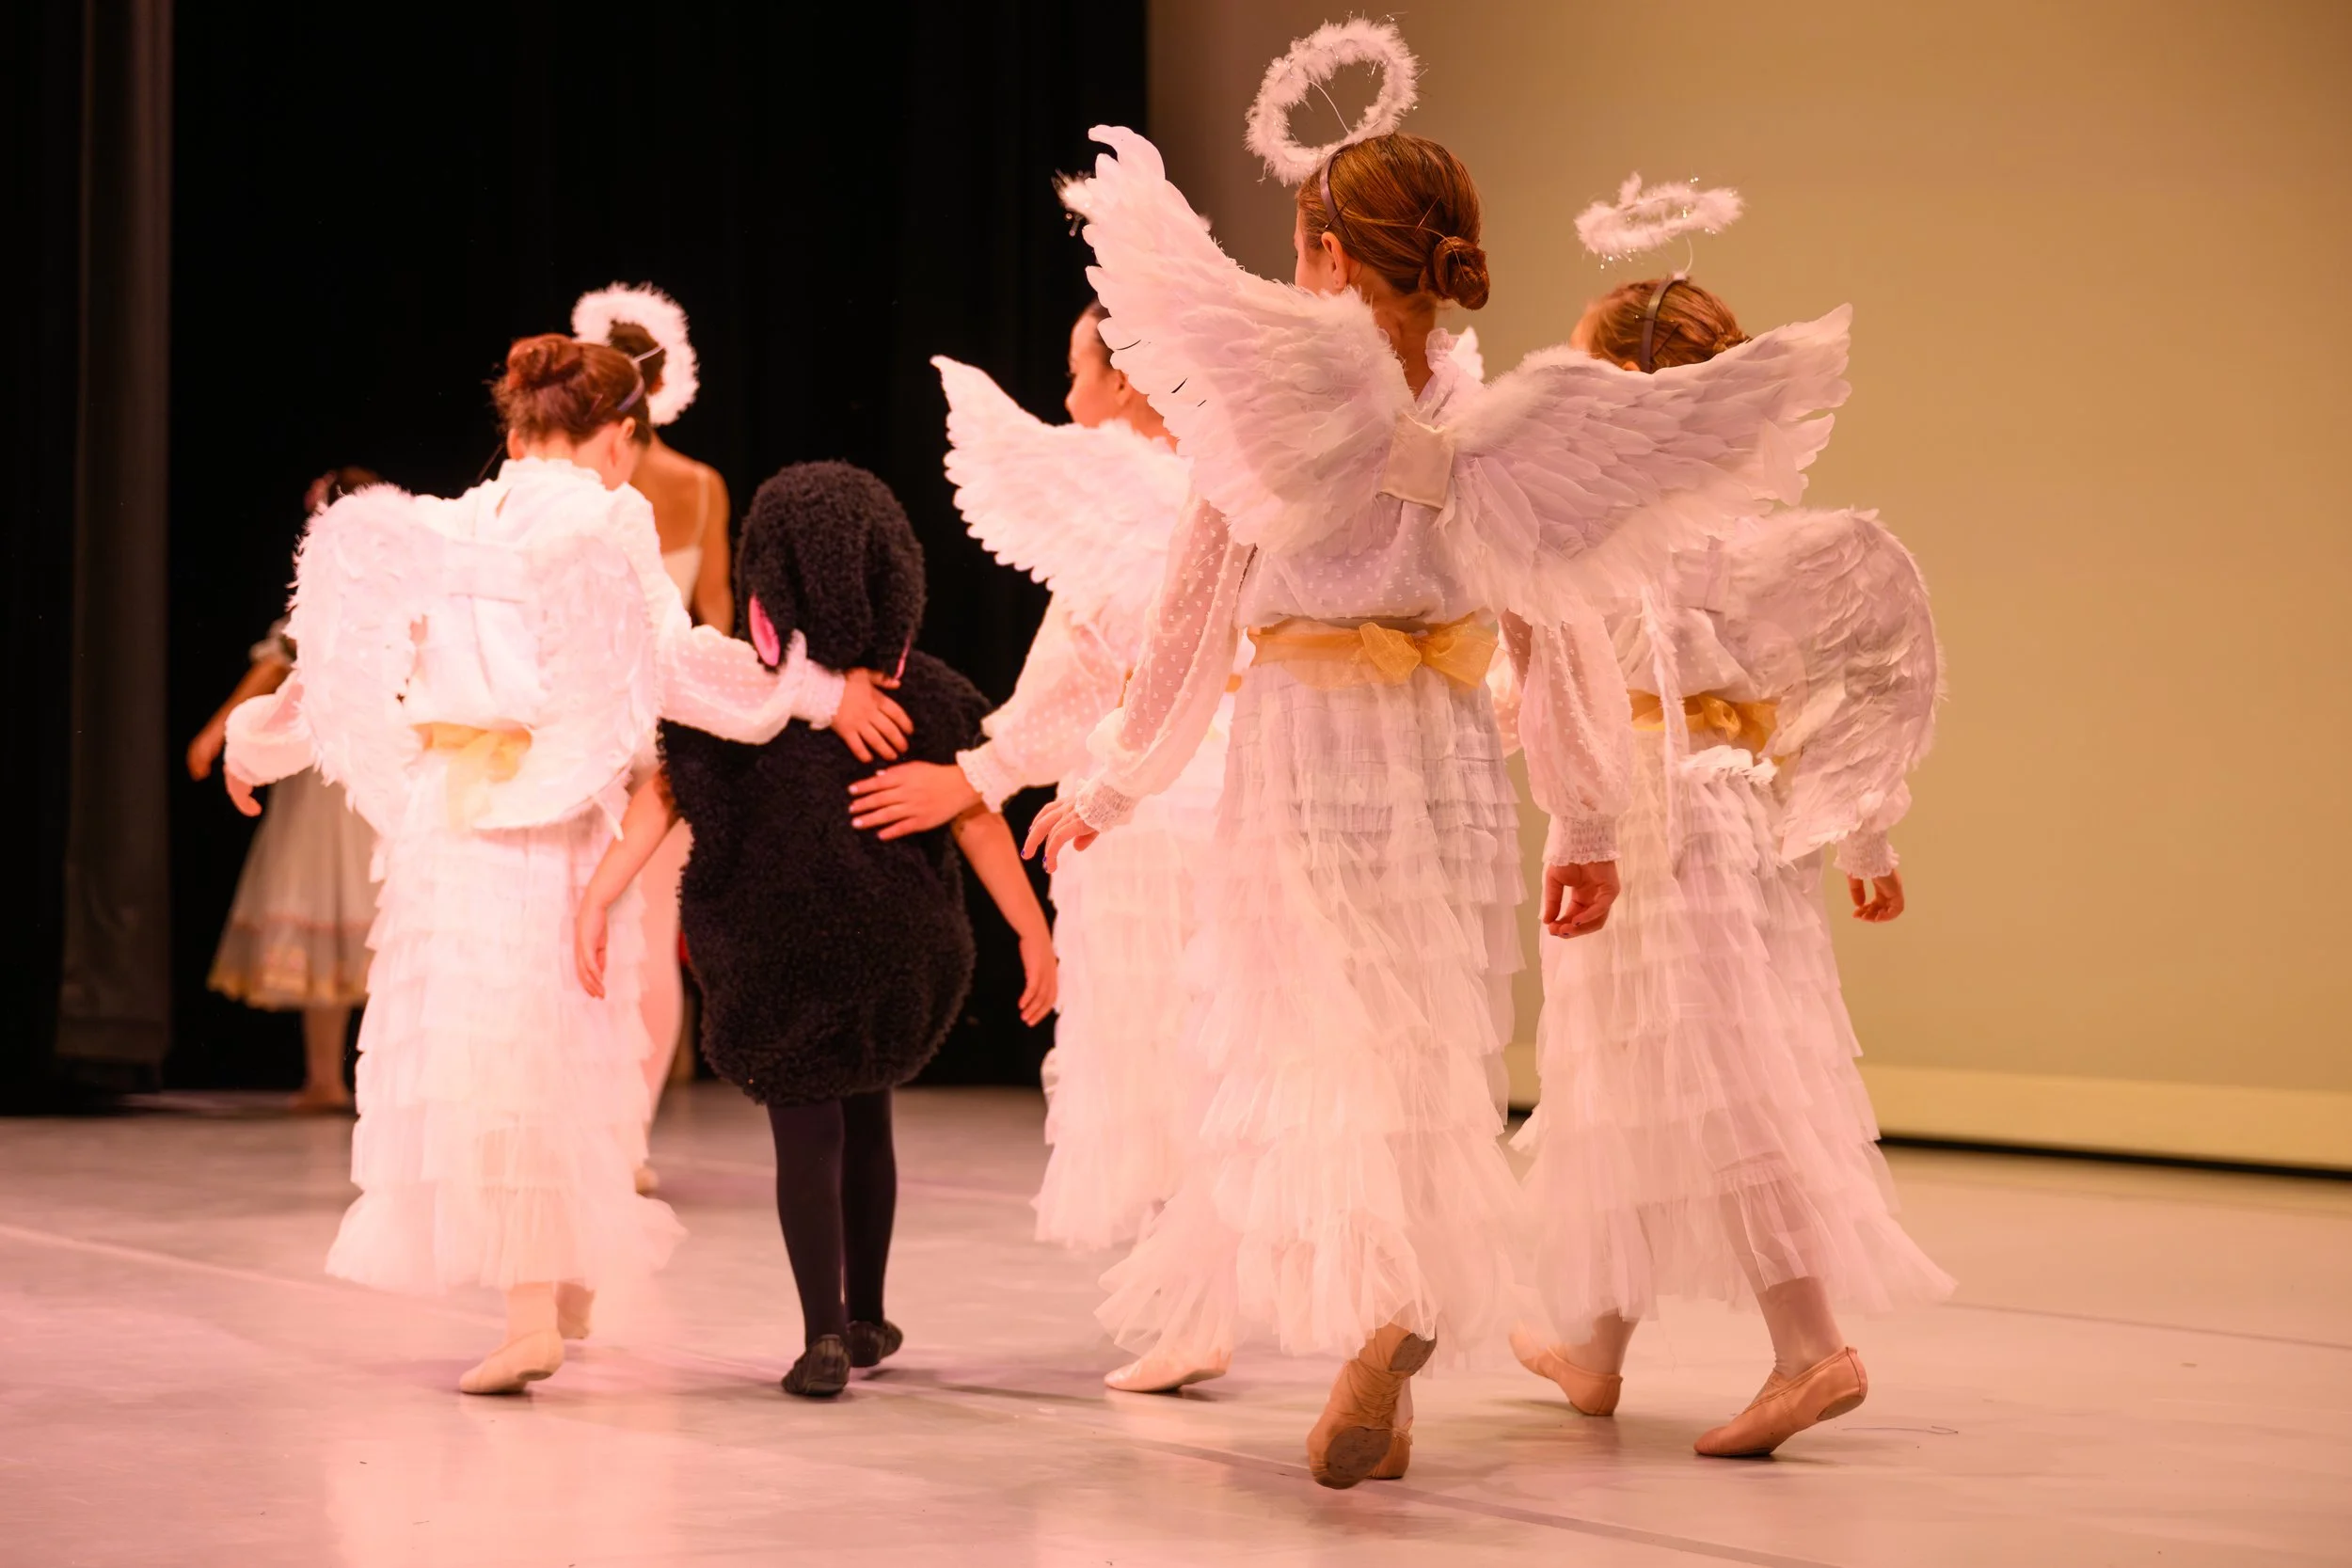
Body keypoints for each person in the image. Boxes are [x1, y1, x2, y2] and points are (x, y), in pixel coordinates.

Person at [1025, 19, 1851, 1489]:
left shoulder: (1267, 401)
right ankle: (1391, 1363)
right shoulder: (1489, 411)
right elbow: (1559, 627)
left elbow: (1195, 610)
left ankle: (1390, 1309)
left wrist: (1109, 779)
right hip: (1445, 755)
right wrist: (1585, 819)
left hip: (1307, 745)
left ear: (1330, 255)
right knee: (1419, 1048)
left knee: (1321, 1035)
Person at [221, 336, 910, 1396]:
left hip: (450, 827)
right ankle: (545, 1300)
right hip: (546, 817)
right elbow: (672, 660)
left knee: (492, 1059)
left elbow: (346, 660)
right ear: (618, 437)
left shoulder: (446, 520)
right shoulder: (605, 514)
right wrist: (821, 692)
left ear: (515, 431)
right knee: (549, 1050)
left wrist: (253, 743)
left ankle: (546, 1298)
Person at [1510, 276, 1951, 1457]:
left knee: (1712, 1067)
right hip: (1742, 804)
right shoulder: (1757, 535)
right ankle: (1593, 1345)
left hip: (1650, 808)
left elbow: (1559, 682)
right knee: (1642, 1068)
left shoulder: (1618, 533)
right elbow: (1847, 677)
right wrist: (1864, 829)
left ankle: (1811, 1345)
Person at [579, 462, 1057, 1399]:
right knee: (868, 1115)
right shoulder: (925, 691)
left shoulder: (738, 693)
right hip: (897, 951)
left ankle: (823, 1333)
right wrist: (1031, 928)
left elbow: (662, 795)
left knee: (809, 1135)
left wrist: (600, 891)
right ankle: (868, 1311)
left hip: (778, 945)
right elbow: (977, 817)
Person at [847, 304, 1248, 1393]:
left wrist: (977, 773)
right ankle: (1197, 1299)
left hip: (1148, 804)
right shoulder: (1232, 482)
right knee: (1210, 1047)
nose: (1069, 397)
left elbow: (1079, 675)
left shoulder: (1123, 490)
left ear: (1125, 383)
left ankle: (1197, 1310)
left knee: (1162, 1056)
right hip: (1228, 785)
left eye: (1079, 371)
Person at [573, 284, 730, 1186]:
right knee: (653, 935)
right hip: (666, 728)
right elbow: (715, 619)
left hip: (588, 722)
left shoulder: (581, 485)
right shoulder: (701, 487)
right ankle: (628, 1140)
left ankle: (587, 1130)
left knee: (579, 919)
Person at [190, 467, 381, 1113]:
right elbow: (277, 665)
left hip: (372, 771)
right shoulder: (322, 602)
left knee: (376, 918)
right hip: (326, 778)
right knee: (331, 915)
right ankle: (326, 1076)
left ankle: (372, 1077)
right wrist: (219, 731)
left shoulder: (387, 593)